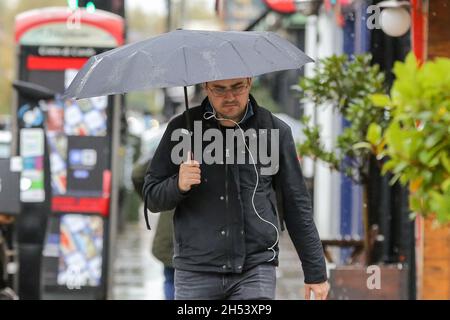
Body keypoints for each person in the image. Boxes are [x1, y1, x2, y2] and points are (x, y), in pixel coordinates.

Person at [143, 77, 329, 300]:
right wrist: (178, 184)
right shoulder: (182, 130)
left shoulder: (274, 130)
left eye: (237, 87)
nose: (230, 97)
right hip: (196, 269)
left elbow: (297, 205)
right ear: (206, 88)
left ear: (249, 82)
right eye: (219, 89)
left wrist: (316, 273)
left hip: (255, 268)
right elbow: (152, 196)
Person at [132, 159, 175, 300]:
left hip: (171, 238)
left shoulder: (173, 153)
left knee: (171, 281)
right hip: (202, 244)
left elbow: (138, 174)